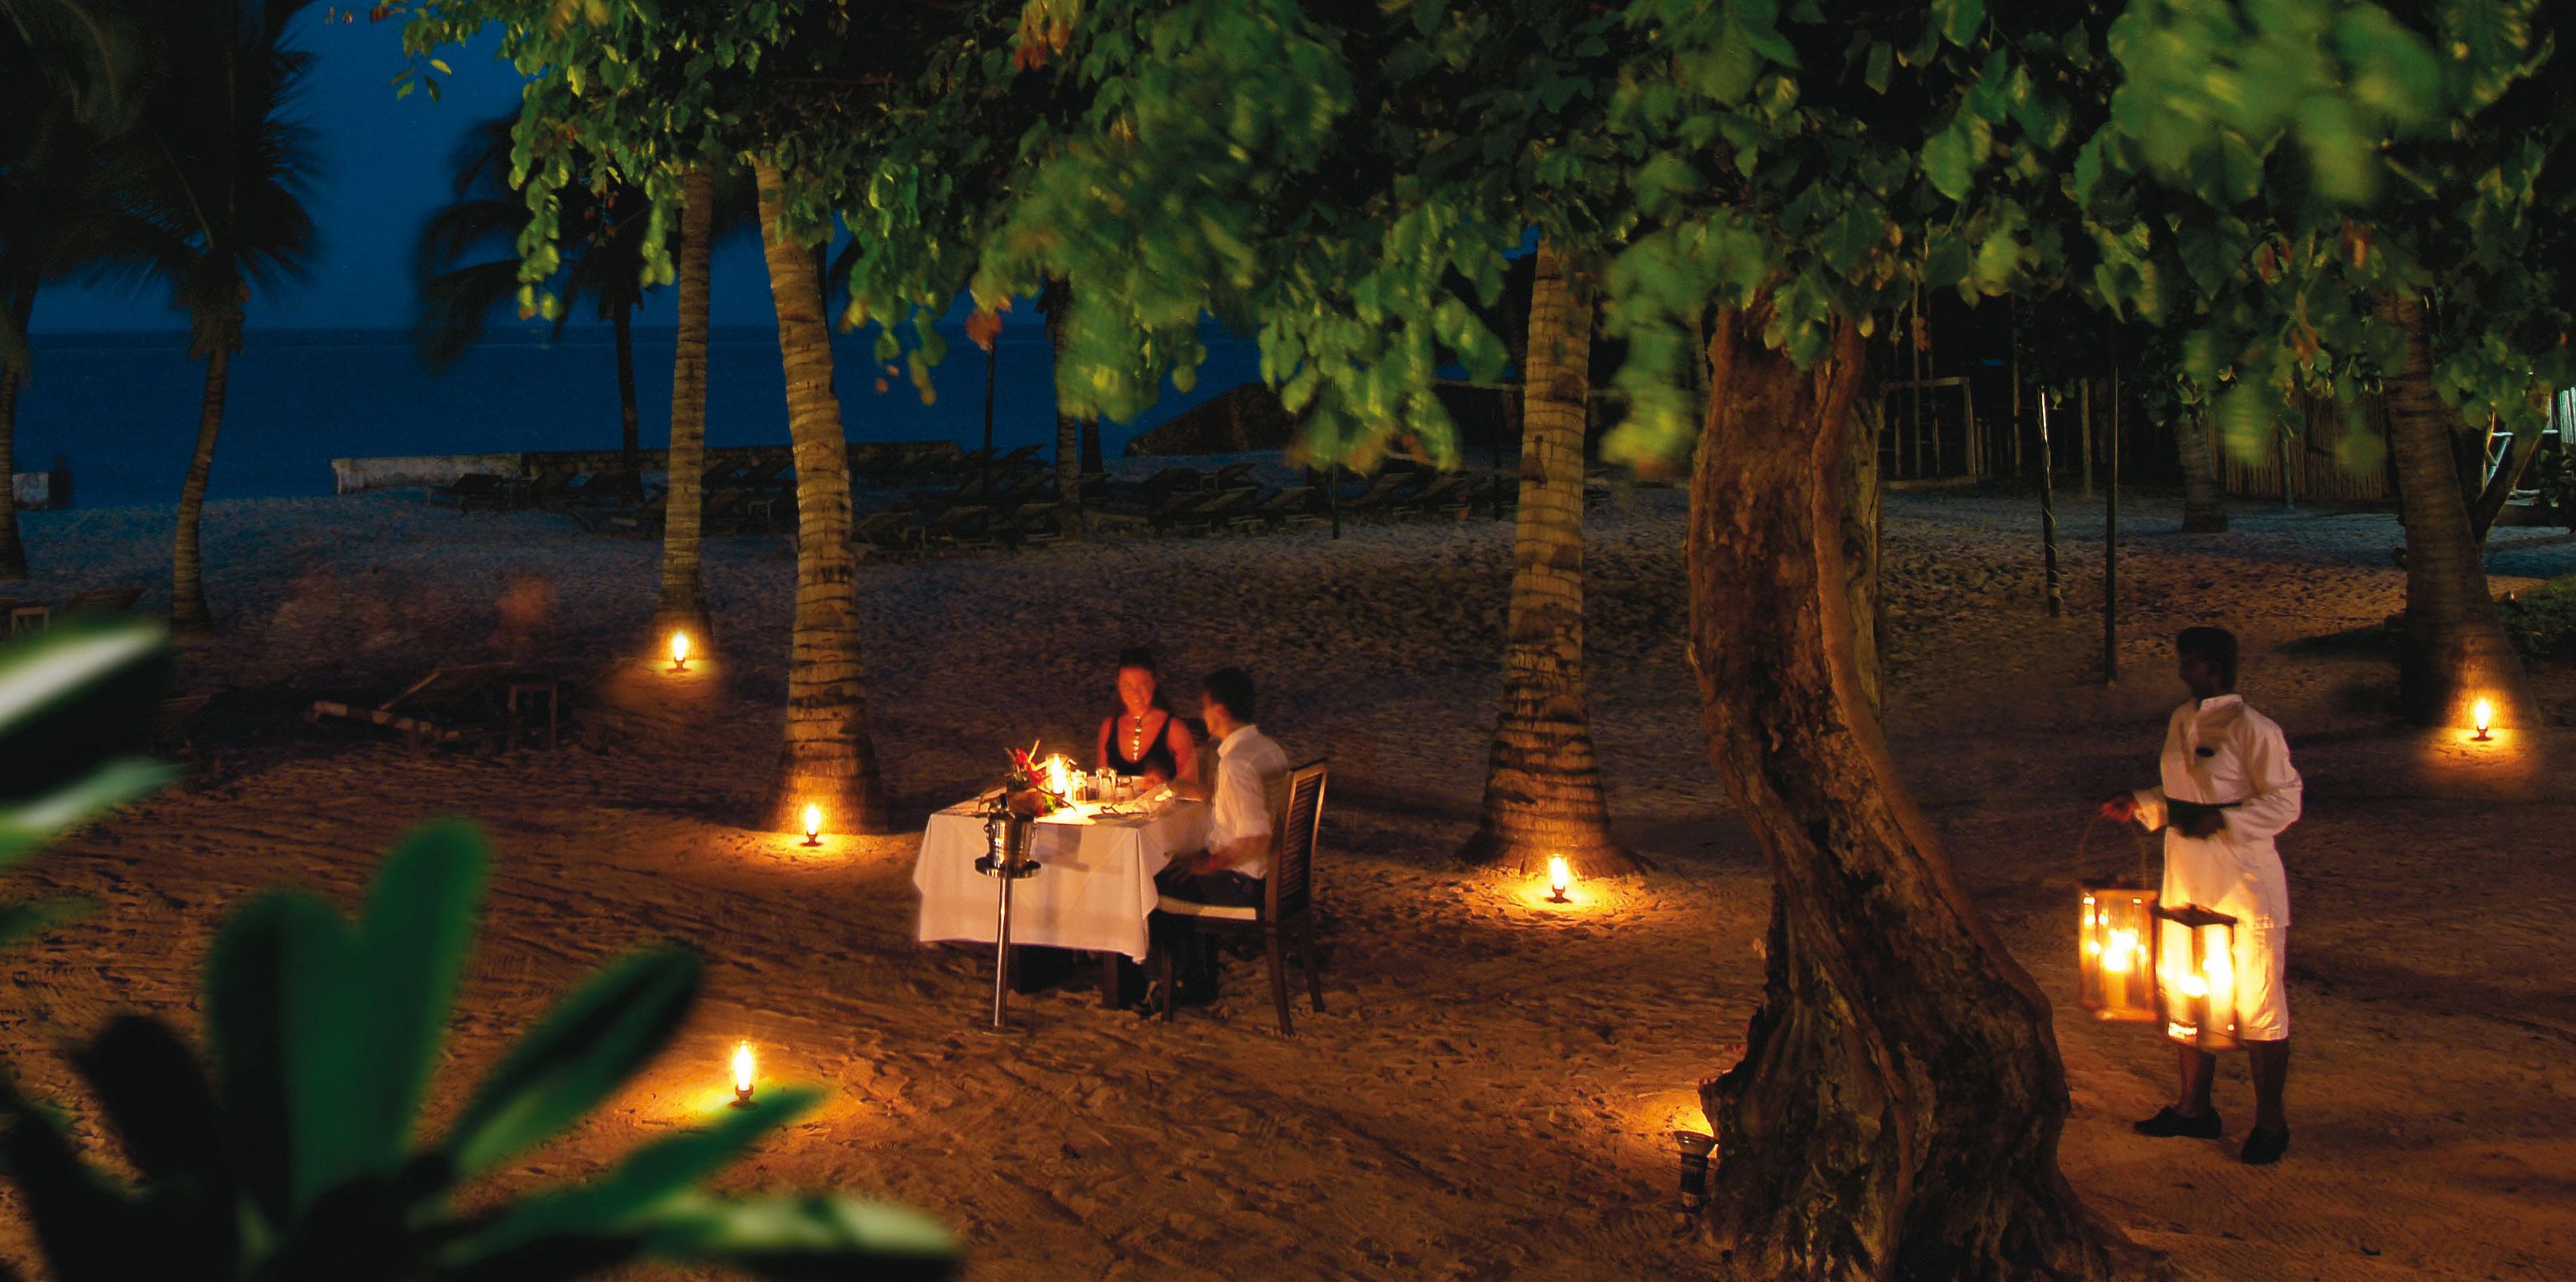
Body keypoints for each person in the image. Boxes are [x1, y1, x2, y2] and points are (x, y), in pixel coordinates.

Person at [2100, 626, 2304, 1166]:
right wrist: (2144, 803)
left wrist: (2225, 819)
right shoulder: (2182, 720)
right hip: (2187, 876)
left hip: (2243, 883)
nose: (2181, 671)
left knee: (2257, 1001)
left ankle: (2270, 1122)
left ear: (2211, 667)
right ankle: (2194, 1108)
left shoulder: (2252, 728)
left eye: (2189, 663)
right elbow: (2183, 793)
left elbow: (2285, 802)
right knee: (2188, 987)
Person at [1148, 667, 1287, 1007]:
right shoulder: (1267, 750)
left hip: (1244, 883)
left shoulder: (1236, 763)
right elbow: (1246, 803)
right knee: (1177, 866)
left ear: (1220, 711)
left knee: (1149, 886)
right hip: (1276, 879)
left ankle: (1170, 987)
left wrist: (1207, 864)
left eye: (1205, 706)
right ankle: (1196, 980)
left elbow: (1256, 837)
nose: (1202, 714)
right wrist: (1190, 790)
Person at [1094, 646, 1197, 787]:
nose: (1135, 693)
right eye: (1127, 685)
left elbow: (1192, 787)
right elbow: (1101, 783)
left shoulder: (1174, 728)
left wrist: (1166, 785)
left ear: (1154, 683)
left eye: (1143, 685)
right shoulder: (1109, 726)